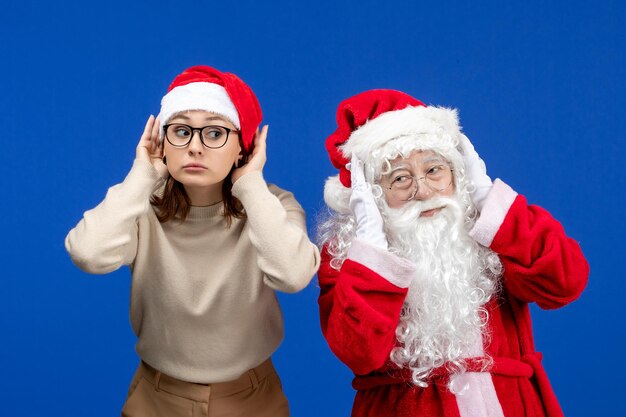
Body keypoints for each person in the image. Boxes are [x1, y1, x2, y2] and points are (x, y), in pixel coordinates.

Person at [65, 65, 320, 417]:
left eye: (214, 133)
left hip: (252, 396)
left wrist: (250, 183)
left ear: (242, 146)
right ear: (162, 141)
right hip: (157, 396)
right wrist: (143, 176)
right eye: (182, 131)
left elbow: (293, 276)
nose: (195, 147)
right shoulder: (140, 206)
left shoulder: (272, 206)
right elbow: (88, 254)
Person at [317, 89, 588, 417]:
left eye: (434, 170)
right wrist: (373, 247)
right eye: (400, 179)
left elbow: (565, 283)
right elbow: (359, 353)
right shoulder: (348, 260)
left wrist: (487, 198)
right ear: (370, 195)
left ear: (458, 172)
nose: (424, 191)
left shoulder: (494, 230)